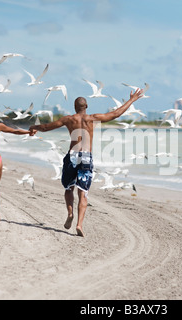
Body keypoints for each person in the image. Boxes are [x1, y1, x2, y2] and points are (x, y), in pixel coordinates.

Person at [30, 89, 144, 236]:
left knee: (68, 188)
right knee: (83, 193)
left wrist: (34, 127)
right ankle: (79, 225)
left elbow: (46, 127)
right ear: (87, 106)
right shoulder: (93, 118)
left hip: (72, 155)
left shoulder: (69, 119)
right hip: (86, 156)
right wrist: (132, 100)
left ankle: (70, 213)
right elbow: (116, 114)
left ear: (74, 107)